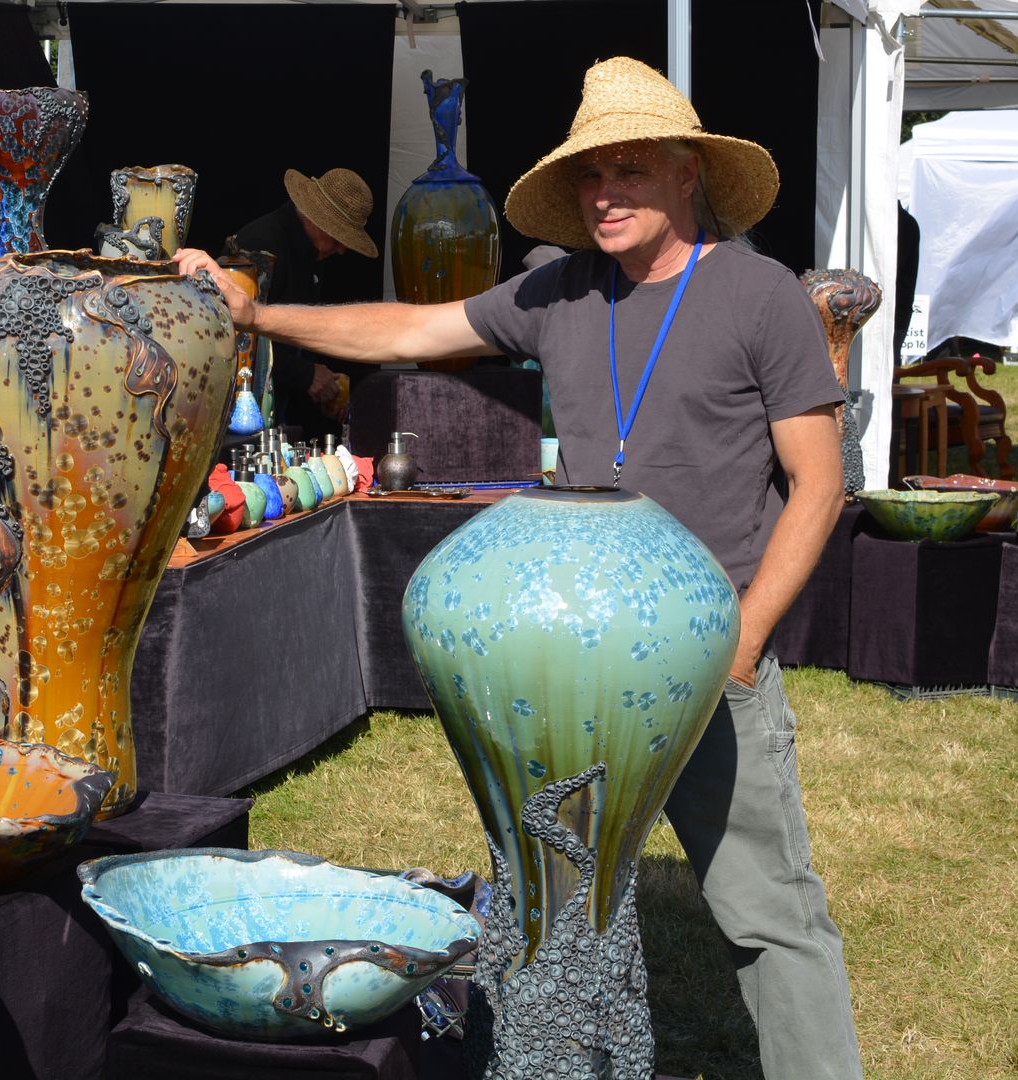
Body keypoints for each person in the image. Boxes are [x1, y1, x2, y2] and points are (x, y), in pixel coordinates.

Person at [179, 56, 860, 1079]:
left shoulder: (759, 294)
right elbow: (409, 328)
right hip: (578, 666)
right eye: (591, 175)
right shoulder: (558, 292)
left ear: (688, 174)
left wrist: (746, 638)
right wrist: (256, 316)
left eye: (629, 170)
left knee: (766, 915)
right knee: (558, 901)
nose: (605, 193)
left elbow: (818, 486)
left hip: (712, 662)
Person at [230, 167, 380, 439]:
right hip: (245, 414)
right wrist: (306, 374)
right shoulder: (263, 245)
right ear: (319, 221)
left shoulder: (308, 251)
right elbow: (240, 338)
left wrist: (319, 382)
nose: (341, 249)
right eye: (338, 238)